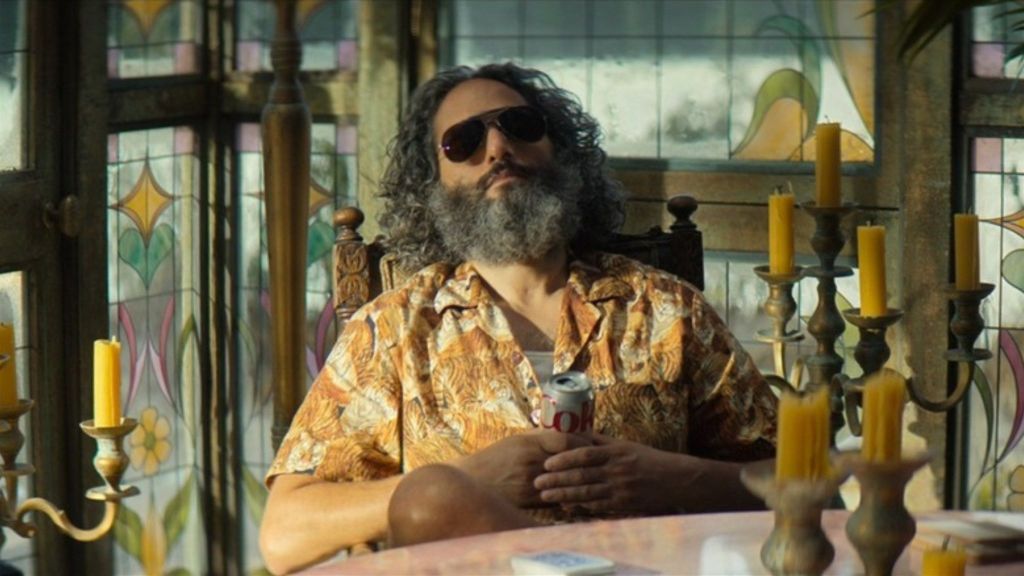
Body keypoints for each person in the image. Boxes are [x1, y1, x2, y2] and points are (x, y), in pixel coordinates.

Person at [259, 63, 778, 575]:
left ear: (559, 151)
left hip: (649, 564)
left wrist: (675, 479)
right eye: (463, 142)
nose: (497, 148)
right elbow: (283, 535)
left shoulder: (666, 309)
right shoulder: (395, 329)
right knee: (434, 497)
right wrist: (471, 478)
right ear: (432, 185)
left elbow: (799, 480)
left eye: (519, 126)